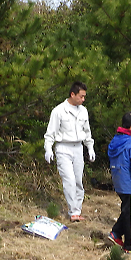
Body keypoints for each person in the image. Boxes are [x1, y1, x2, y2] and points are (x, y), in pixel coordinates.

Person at [43, 81, 95, 222]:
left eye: (84, 97)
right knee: (69, 180)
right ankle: (73, 212)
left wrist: (90, 147)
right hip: (63, 148)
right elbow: (50, 133)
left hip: (78, 147)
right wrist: (48, 149)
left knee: (78, 180)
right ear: (73, 94)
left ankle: (77, 210)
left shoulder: (83, 111)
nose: (83, 99)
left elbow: (87, 131)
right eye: (81, 96)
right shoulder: (59, 111)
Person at [107, 111, 131, 253]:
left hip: (118, 181)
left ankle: (115, 233)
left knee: (128, 211)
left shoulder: (115, 141)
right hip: (129, 184)